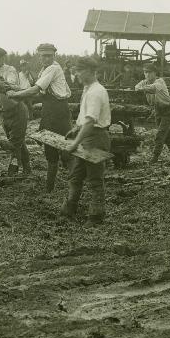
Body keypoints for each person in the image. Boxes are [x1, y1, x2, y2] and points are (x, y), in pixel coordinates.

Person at [7, 43, 72, 192]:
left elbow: (36, 89)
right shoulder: (44, 70)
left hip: (59, 113)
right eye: (43, 55)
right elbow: (38, 93)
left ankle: (74, 186)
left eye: (49, 55)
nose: (46, 58)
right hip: (49, 112)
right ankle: (49, 189)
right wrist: (18, 91)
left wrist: (16, 95)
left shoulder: (53, 68)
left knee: (66, 150)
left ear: (54, 56)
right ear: (39, 56)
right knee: (50, 151)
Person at [61, 57, 111, 225]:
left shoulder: (96, 92)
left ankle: (96, 217)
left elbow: (90, 122)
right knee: (75, 176)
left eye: (79, 71)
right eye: (75, 71)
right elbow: (85, 119)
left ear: (90, 71)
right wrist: (76, 129)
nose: (76, 75)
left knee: (95, 179)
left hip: (95, 138)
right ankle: (69, 209)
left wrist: (75, 143)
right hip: (87, 136)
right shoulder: (88, 89)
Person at [0, 47, 30, 176]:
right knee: (19, 142)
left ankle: (12, 173)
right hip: (4, 113)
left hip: (17, 111)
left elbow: (11, 84)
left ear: (2, 58)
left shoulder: (10, 70)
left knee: (14, 144)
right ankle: (27, 170)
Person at [135, 63, 170, 166]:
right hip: (158, 110)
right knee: (168, 136)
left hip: (168, 110)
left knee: (160, 134)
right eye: (145, 72)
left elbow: (153, 88)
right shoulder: (145, 82)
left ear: (155, 73)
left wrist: (142, 88)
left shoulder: (160, 82)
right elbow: (136, 87)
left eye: (149, 72)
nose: (147, 75)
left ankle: (154, 158)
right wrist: (141, 87)